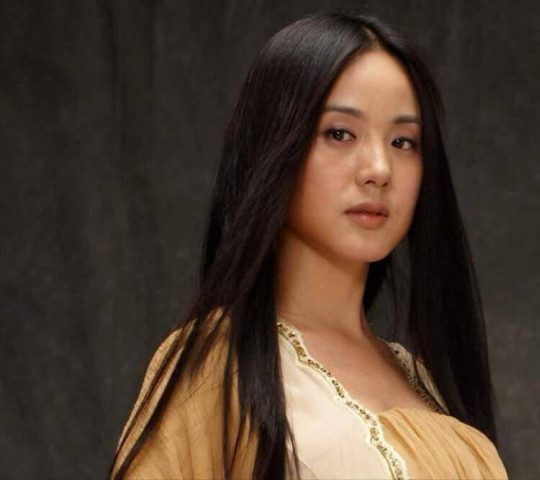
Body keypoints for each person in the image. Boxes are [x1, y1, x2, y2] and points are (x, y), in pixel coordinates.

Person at [109, 10, 509, 480]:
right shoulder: (216, 367)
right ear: (275, 145)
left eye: (403, 142)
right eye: (339, 133)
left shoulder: (427, 383)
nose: (379, 169)